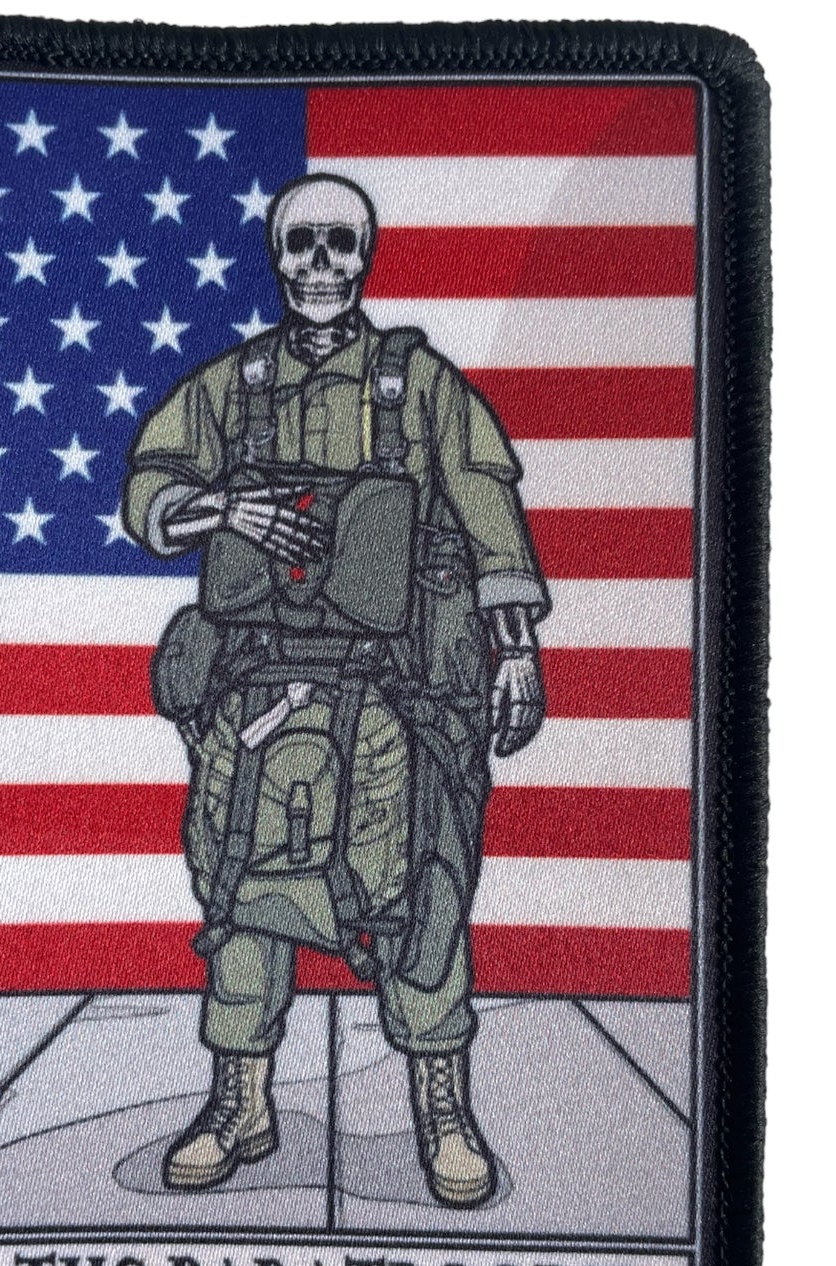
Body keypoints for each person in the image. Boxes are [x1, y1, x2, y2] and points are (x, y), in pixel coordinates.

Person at [121, 174, 549, 1208]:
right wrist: (225, 509)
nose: (320, 265)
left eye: (340, 244)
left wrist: (515, 648)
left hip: (397, 691)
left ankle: (441, 1108)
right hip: (260, 686)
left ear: (365, 255)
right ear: (277, 256)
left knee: (422, 889)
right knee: (242, 888)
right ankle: (239, 1101)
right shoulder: (233, 386)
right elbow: (148, 488)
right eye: (300, 243)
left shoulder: (419, 384)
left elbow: (486, 508)